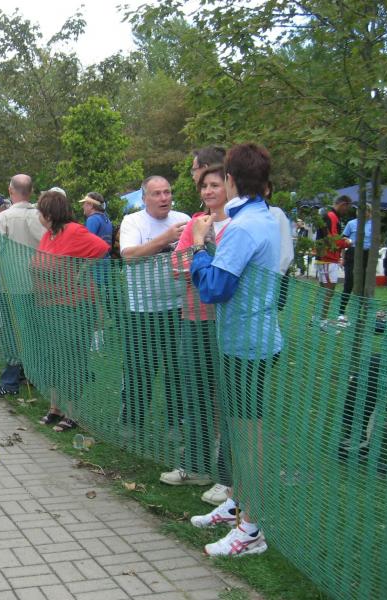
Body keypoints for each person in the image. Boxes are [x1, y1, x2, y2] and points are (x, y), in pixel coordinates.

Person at [189, 143, 282, 557]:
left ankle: (252, 529)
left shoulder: (244, 227)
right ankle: (237, 505)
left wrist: (198, 247)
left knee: (247, 436)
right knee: (239, 427)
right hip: (249, 339)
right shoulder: (263, 217)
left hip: (247, 345)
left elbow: (214, 288)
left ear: (230, 180)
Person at [163, 164, 232, 507]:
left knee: (227, 397)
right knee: (195, 392)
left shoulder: (235, 224)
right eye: (204, 186)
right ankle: (196, 464)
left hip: (224, 322)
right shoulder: (195, 223)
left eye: (215, 185)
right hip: (192, 316)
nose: (207, 191)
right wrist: (199, 255)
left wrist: (199, 256)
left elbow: (226, 274)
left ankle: (227, 476)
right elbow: (176, 266)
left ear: (229, 186)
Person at [31, 190, 110, 432]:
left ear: (49, 214)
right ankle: (55, 407)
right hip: (49, 307)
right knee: (54, 359)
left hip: (73, 309)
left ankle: (72, 413)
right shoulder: (49, 235)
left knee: (72, 360)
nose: (38, 216)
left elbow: (101, 248)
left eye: (40, 212)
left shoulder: (74, 231)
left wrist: (82, 269)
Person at [119, 176, 189, 437]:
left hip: (178, 307)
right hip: (143, 309)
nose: (164, 198)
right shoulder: (133, 221)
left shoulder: (183, 219)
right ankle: (132, 420)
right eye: (157, 193)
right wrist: (165, 238)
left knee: (176, 368)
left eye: (167, 192)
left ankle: (175, 422)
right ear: (144, 198)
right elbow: (129, 256)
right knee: (140, 367)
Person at [0, 174, 47, 398]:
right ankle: (33, 376)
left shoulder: (4, 218)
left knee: (12, 335)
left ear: (11, 191)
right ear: (31, 191)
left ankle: (10, 382)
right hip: (39, 285)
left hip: (12, 287)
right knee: (35, 333)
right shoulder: (41, 216)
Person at [314, 195, 351, 326]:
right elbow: (332, 238)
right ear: (343, 204)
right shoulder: (331, 216)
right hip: (327, 258)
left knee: (324, 290)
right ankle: (322, 321)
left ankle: (316, 319)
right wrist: (346, 242)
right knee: (329, 291)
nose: (347, 211)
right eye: (347, 207)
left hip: (326, 258)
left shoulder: (331, 216)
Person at [338, 206, 373, 320]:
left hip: (366, 254)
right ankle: (341, 312)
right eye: (359, 211)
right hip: (352, 253)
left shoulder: (373, 224)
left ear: (369, 213)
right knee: (349, 282)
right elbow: (343, 240)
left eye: (364, 211)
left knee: (363, 284)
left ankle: (359, 312)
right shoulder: (351, 223)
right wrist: (342, 257)